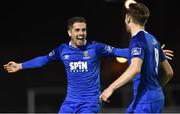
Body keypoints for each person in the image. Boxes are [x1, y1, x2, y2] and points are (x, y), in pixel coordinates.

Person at [3, 17, 173, 113]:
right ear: (70, 32)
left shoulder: (96, 47)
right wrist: (21, 65)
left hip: (90, 103)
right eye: (77, 30)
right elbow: (44, 59)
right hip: (69, 103)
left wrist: (150, 50)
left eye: (84, 30)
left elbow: (121, 52)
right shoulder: (62, 50)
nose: (81, 33)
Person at [100, 1, 174, 113]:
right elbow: (169, 72)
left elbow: (135, 68)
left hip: (144, 101)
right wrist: (155, 89)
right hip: (156, 98)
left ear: (128, 18)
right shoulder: (153, 40)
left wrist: (111, 88)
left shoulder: (137, 40)